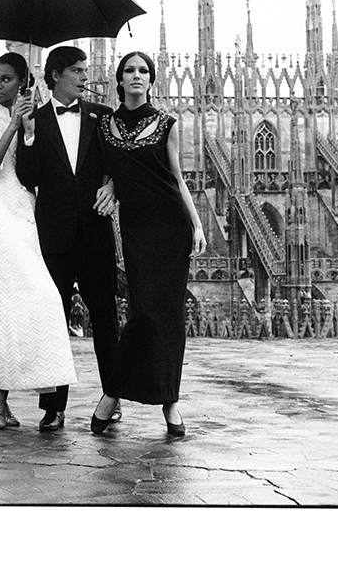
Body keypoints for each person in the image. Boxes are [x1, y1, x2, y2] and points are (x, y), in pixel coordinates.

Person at [90, 51, 206, 437]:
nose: (136, 76)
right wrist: (109, 182)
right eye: (129, 71)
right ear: (119, 80)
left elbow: (177, 178)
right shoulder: (105, 126)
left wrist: (197, 223)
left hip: (171, 225)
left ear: (151, 80)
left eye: (143, 71)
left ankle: (170, 403)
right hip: (137, 228)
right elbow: (109, 169)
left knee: (169, 317)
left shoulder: (166, 123)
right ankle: (114, 393)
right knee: (142, 314)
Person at [0, 52, 76, 429]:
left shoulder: (32, 113)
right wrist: (12, 127)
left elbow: (32, 171)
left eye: (7, 79)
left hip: (26, 211)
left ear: (22, 82)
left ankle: (0, 392)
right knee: (14, 303)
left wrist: (29, 130)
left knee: (34, 303)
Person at [15, 45, 121, 431]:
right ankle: (53, 407)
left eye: (85, 69)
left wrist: (113, 185)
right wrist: (27, 134)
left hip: (95, 232)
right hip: (55, 236)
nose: (85, 77)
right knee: (52, 321)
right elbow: (29, 177)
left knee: (106, 319)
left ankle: (113, 395)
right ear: (56, 75)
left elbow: (117, 165)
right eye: (77, 71)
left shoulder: (102, 116)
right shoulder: (38, 120)